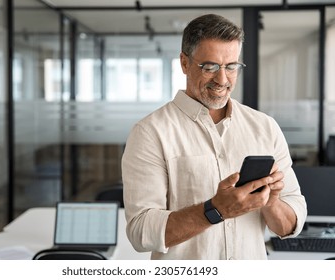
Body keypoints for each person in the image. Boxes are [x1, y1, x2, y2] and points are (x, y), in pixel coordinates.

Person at [121, 14, 307, 260]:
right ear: (184, 63)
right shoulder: (150, 132)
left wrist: (270, 203)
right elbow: (140, 232)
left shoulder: (265, 127)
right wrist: (215, 210)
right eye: (209, 67)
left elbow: (290, 224)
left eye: (231, 67)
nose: (222, 79)